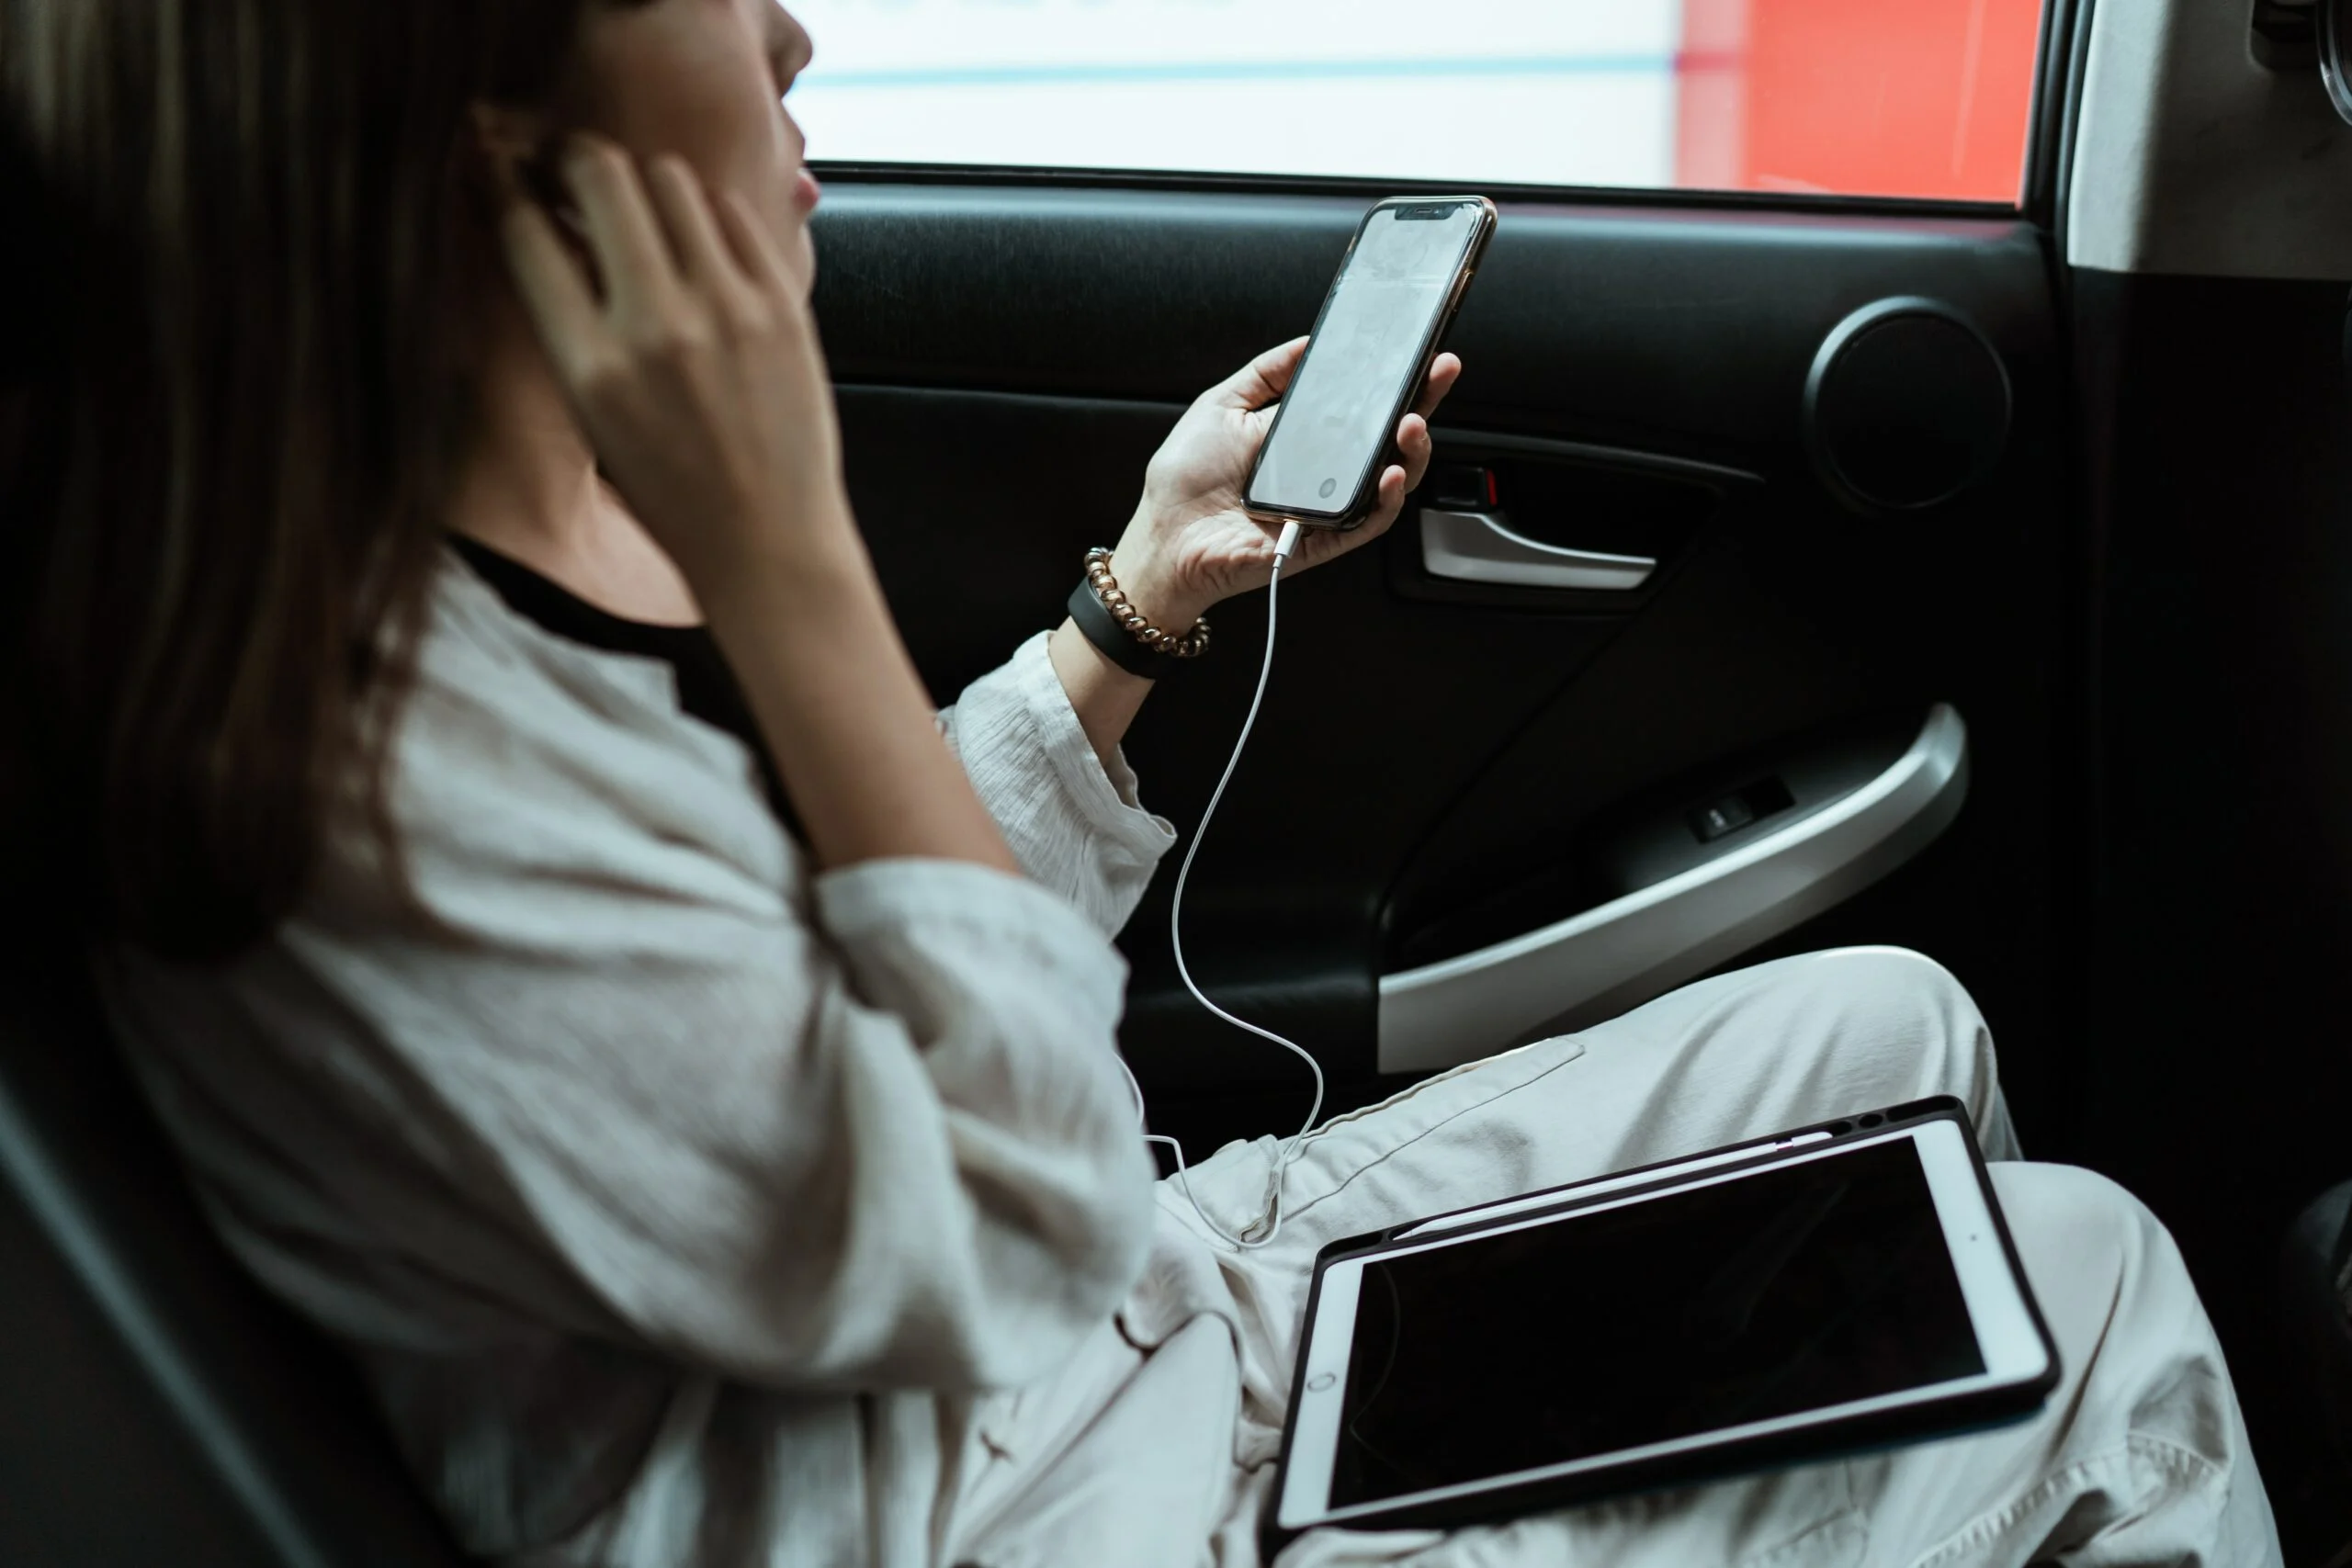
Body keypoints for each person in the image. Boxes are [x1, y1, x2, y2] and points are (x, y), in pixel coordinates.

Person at [0, 2, 2282, 1564]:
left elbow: (855, 995)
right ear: (491, 137)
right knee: (2077, 1284)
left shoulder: (499, 551)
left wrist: (1133, 612)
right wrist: (786, 550)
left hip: (1108, 1335)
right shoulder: (374, 785)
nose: (793, 38)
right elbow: (1013, 1215)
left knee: (1889, 1022)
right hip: (1055, 1496)